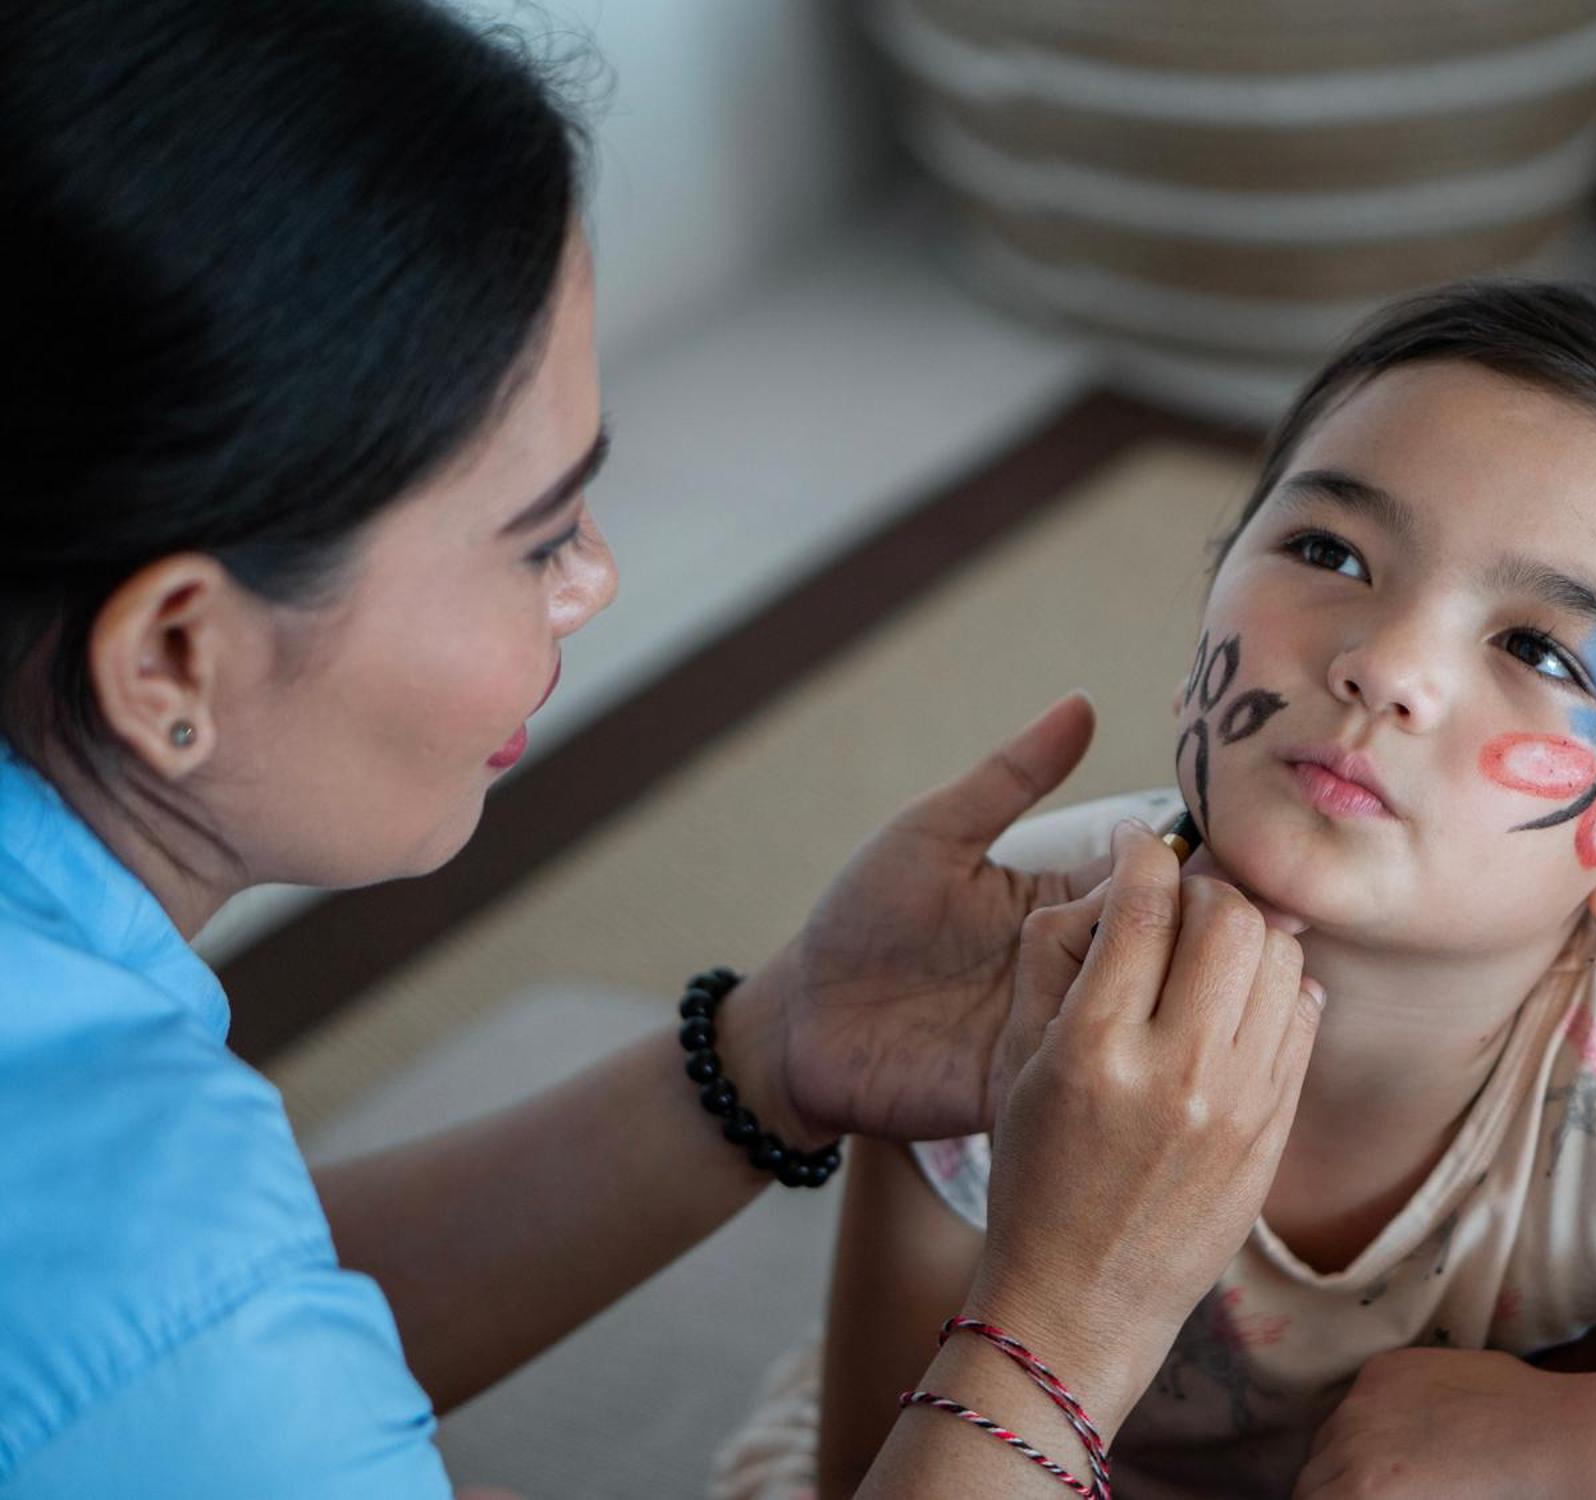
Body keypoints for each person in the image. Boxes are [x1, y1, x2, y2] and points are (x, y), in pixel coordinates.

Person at [0, 3, 1329, 1496]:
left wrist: (772, 1054)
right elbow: (182, 1346)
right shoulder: (157, 1290)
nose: (596, 581)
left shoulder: (150, 1259)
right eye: (538, 537)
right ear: (176, 652)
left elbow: (223, 1334)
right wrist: (1075, 1311)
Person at [714, 279, 1596, 1499]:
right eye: (1329, 551)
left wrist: (1586, 1442)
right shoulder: (1029, 955)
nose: (1385, 663)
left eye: (1536, 646)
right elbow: (876, 1468)